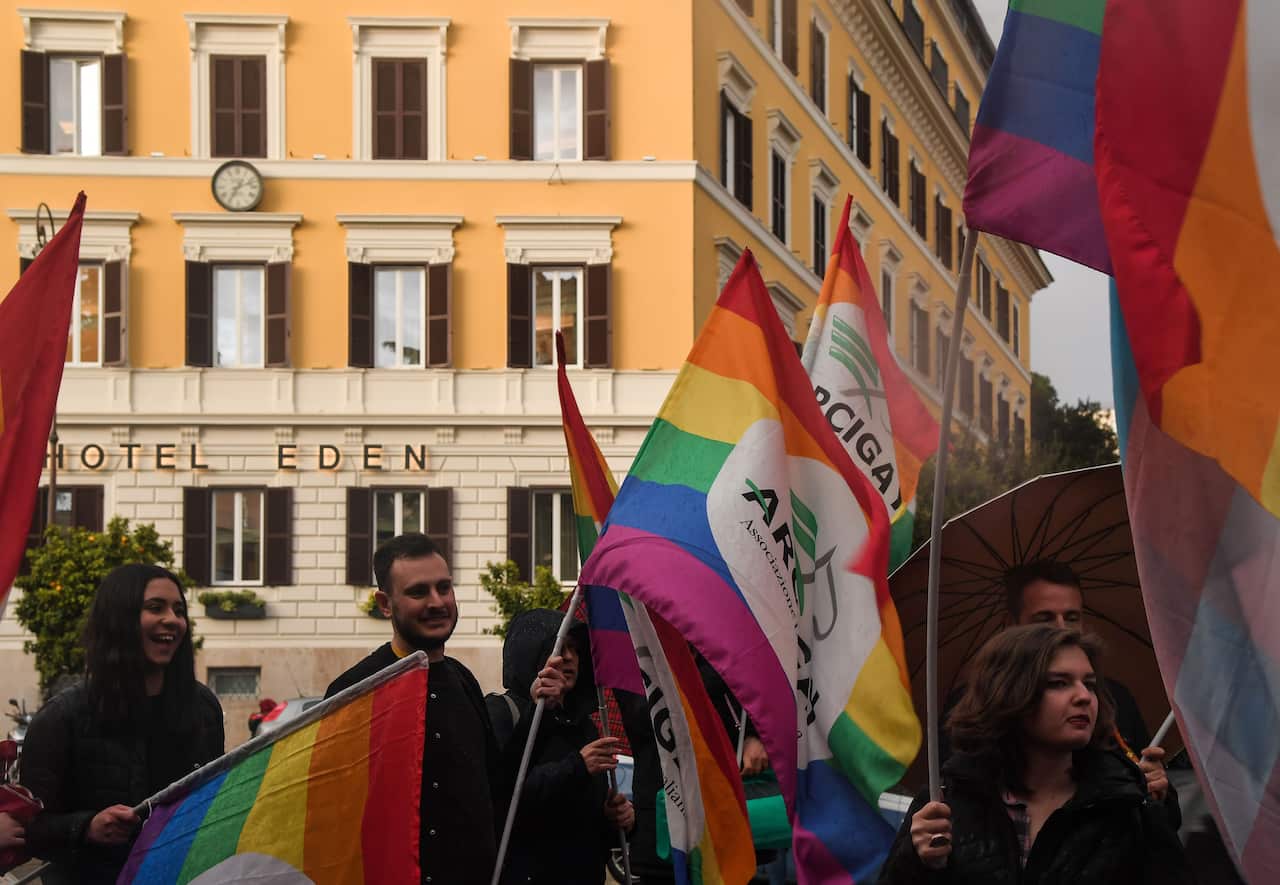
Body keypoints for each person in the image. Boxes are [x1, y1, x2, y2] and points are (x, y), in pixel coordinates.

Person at [325, 533, 565, 885]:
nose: (437, 602)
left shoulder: (463, 680)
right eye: (418, 592)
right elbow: (331, 820)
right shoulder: (354, 692)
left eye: (444, 587)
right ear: (385, 603)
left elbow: (496, 786)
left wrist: (538, 711)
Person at [879, 625, 1191, 884]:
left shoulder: (1127, 805)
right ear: (1010, 692)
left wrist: (1158, 808)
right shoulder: (946, 801)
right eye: (1059, 683)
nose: (1084, 697)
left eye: (1090, 684)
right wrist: (917, 861)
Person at [20, 564, 224, 884]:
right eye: (155, 607)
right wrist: (86, 827)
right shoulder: (62, 718)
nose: (172, 619)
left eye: (179, 610)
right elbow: (29, 829)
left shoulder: (203, 709)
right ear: (119, 619)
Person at [490, 609, 634, 884]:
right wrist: (577, 766)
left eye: (574, 649)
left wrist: (615, 818)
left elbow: (583, 823)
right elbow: (504, 797)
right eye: (557, 646)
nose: (568, 657)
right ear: (530, 654)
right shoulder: (501, 713)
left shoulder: (583, 726)